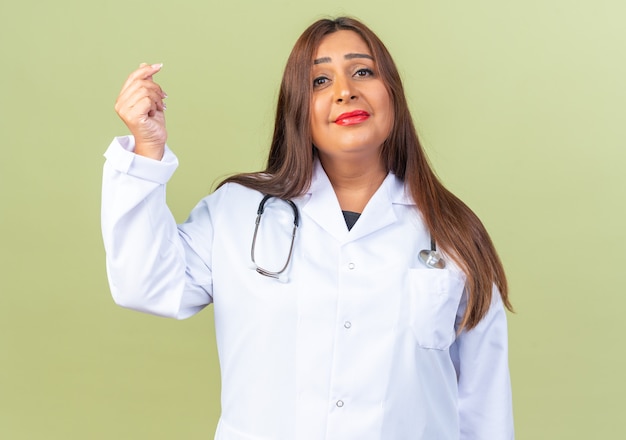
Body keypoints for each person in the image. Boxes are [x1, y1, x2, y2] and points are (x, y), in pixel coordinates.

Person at [102, 16, 514, 440]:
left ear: (392, 92)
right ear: (297, 107)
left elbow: (484, 408)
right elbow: (144, 282)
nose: (345, 91)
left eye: (363, 72)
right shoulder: (238, 211)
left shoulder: (453, 232)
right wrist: (146, 153)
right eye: (319, 81)